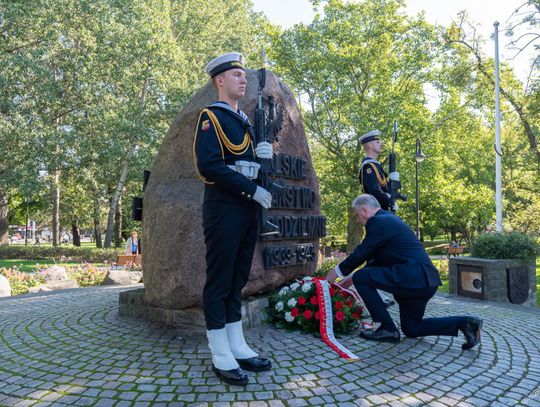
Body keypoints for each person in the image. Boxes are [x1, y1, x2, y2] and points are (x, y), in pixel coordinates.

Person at [193, 52, 272, 385]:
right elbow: (209, 165)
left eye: (244, 75)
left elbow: (244, 162)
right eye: (237, 74)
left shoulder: (245, 121)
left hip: (245, 210)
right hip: (224, 207)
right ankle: (219, 353)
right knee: (220, 279)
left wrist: (261, 156)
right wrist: (251, 190)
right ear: (220, 80)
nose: (244, 79)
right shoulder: (211, 116)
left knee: (237, 279)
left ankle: (237, 344)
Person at [326, 194, 483, 349]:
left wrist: (337, 272)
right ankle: (466, 323)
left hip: (414, 278)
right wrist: (352, 278)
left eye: (357, 215)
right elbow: (375, 260)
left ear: (365, 210)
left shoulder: (378, 222)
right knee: (411, 328)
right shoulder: (388, 219)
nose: (357, 220)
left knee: (361, 277)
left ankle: (386, 328)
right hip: (423, 281)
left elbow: (362, 252)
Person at [358, 130, 395, 211]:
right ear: (370, 145)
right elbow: (375, 190)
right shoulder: (368, 166)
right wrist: (390, 202)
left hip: (381, 211)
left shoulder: (375, 165)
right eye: (377, 142)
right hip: (375, 212)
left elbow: (384, 188)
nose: (381, 144)